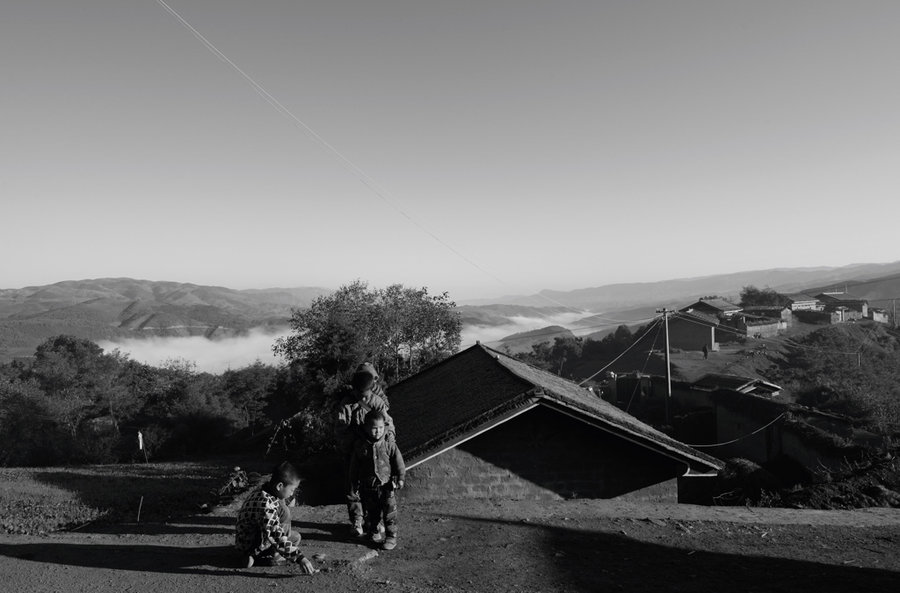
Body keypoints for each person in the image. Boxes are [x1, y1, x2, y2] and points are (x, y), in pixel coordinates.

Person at [335, 362, 396, 535]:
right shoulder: (346, 405)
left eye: (365, 393)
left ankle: (373, 520)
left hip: (375, 453)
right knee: (353, 488)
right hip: (355, 452)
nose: (362, 397)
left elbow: (388, 425)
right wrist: (353, 447)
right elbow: (340, 430)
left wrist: (387, 445)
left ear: (372, 388)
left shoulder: (378, 403)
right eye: (358, 393)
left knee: (374, 489)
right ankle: (357, 521)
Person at [234, 461, 317, 573]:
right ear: (279, 486)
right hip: (252, 543)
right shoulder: (267, 506)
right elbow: (275, 535)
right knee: (285, 522)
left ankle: (254, 556)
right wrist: (301, 558)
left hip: (246, 540)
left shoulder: (263, 490)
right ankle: (267, 556)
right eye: (292, 490)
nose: (292, 494)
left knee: (296, 537)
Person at [349, 409, 406, 550]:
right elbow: (354, 467)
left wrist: (400, 478)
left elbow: (399, 462)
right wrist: (354, 484)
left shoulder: (389, 444)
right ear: (366, 428)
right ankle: (373, 532)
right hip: (368, 487)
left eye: (381, 428)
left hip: (387, 486)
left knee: (389, 513)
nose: (378, 431)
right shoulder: (360, 446)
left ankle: (391, 537)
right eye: (374, 429)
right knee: (372, 513)